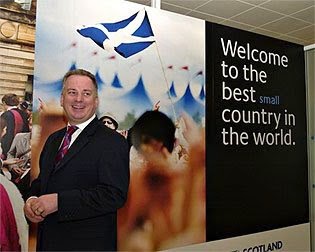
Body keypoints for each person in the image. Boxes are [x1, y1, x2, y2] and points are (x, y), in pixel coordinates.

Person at [23, 69, 130, 251]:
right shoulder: (53, 139)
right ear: (62, 99)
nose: (78, 99)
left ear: (95, 102)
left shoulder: (113, 141)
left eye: (86, 93)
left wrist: (60, 202)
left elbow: (114, 195)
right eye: (72, 92)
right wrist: (31, 200)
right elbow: (44, 180)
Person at [0, 93, 30, 159]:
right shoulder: (24, 114)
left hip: (7, 150)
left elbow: (3, 133)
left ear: (4, 103)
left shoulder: (5, 115)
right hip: (21, 150)